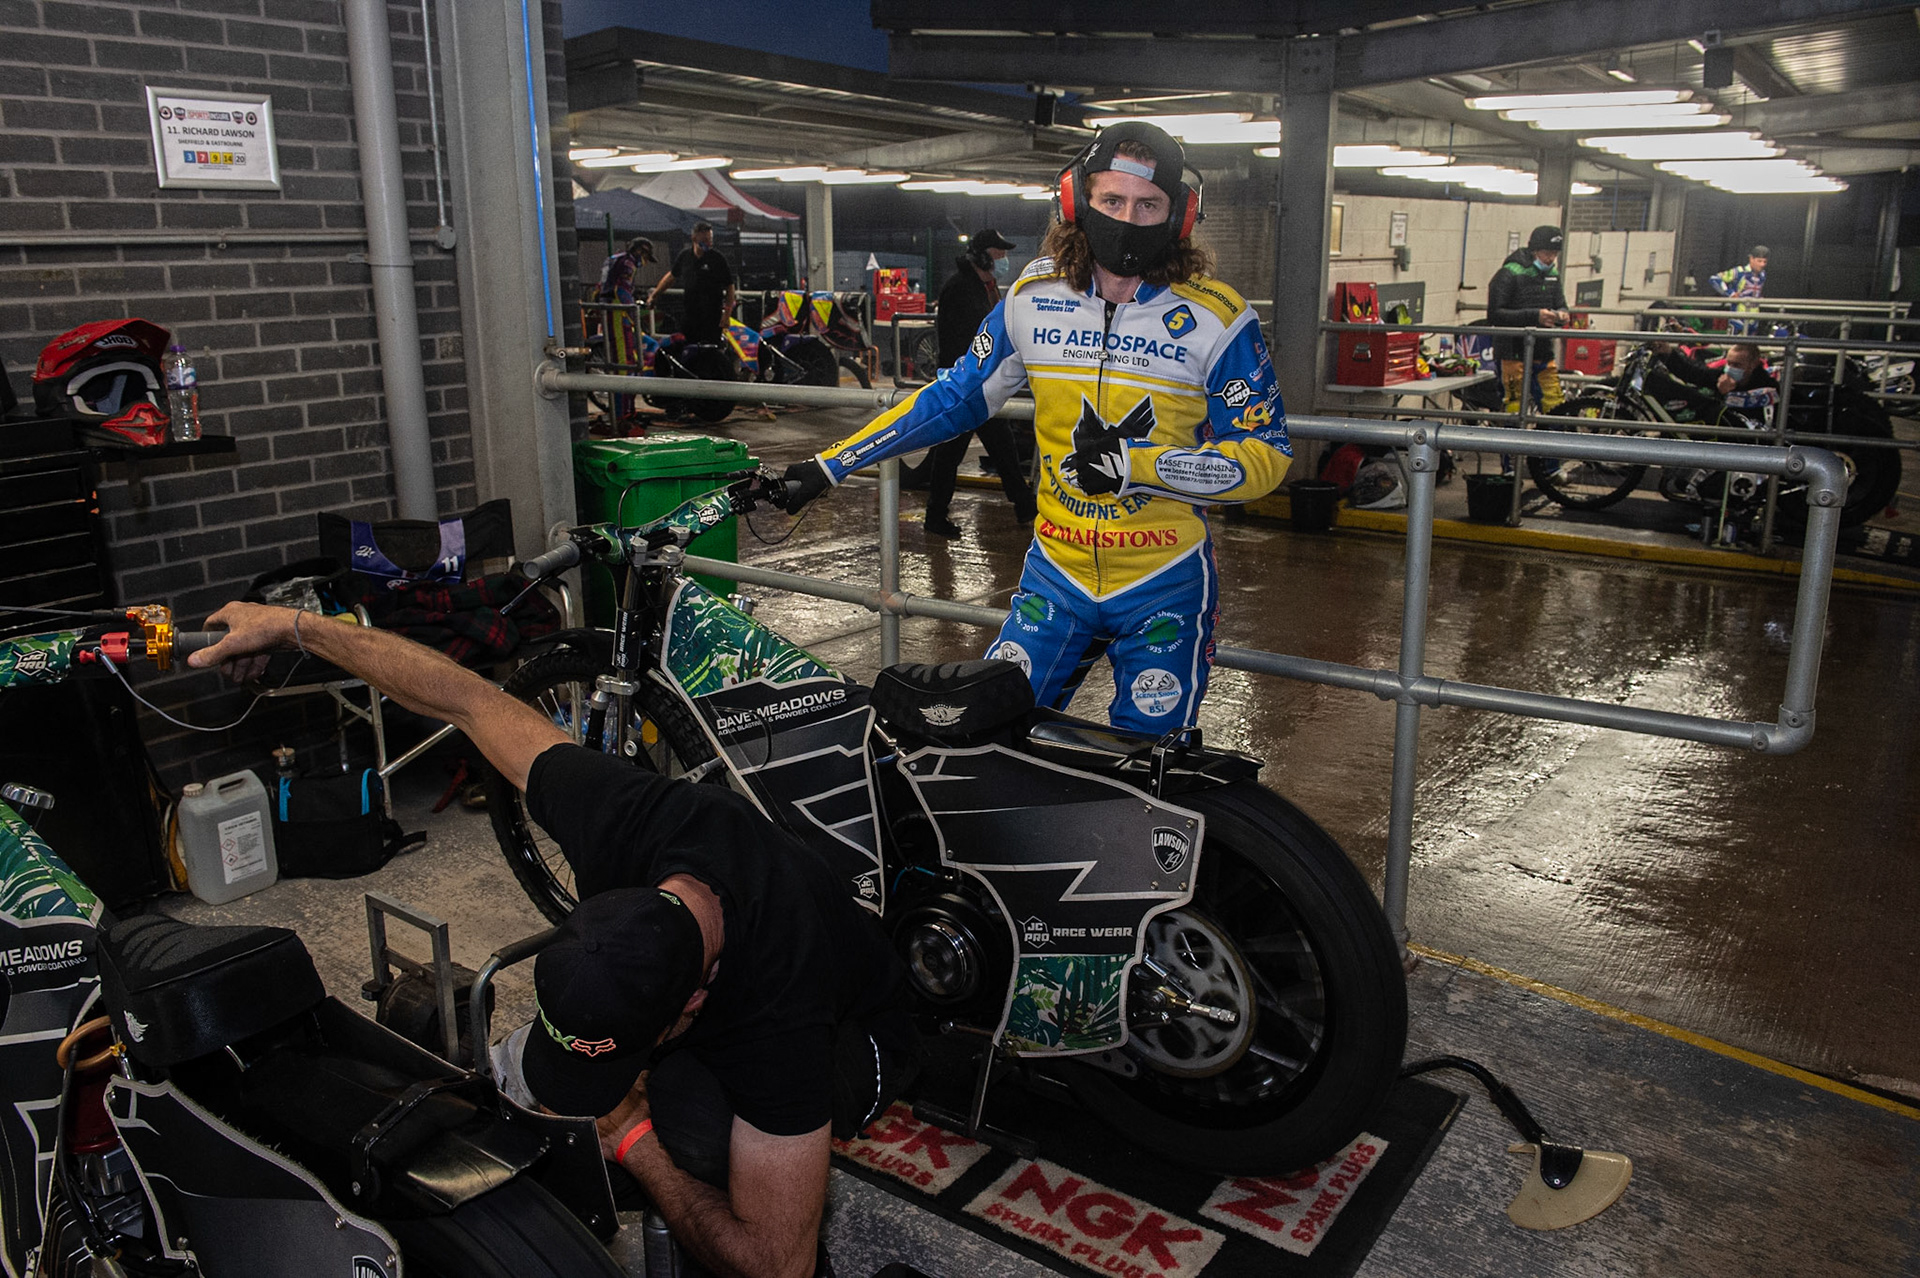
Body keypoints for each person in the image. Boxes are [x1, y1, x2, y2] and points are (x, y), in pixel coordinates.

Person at [187, 605, 917, 1278]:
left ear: (692, 1003)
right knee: (555, 1093)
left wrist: (636, 1141)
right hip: (715, 968)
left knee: (691, 1134)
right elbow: (463, 697)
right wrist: (294, 628)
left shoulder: (777, 1013)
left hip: (866, 1028)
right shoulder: (620, 815)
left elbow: (773, 1262)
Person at [780, 122, 1290, 733]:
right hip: (1057, 572)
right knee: (989, 737)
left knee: (1150, 772)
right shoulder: (1031, 294)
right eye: (1112, 200)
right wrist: (831, 463)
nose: (1129, 218)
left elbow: (1267, 456)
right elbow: (954, 398)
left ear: (1178, 216)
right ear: (1077, 202)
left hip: (1165, 580)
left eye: (1148, 204)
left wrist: (1138, 466)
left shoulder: (1220, 317)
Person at [919, 228, 1037, 538]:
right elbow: (972, 338)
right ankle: (936, 516)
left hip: (980, 383)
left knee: (1002, 447)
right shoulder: (961, 288)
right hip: (964, 385)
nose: (1005, 260)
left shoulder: (984, 286)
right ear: (983, 255)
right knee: (952, 453)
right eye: (1000, 254)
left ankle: (1024, 505)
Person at [1487, 224, 1570, 415]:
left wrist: (1562, 314)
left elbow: (1561, 304)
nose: (1550, 259)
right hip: (1511, 351)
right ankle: (1512, 442)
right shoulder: (1509, 273)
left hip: (1542, 349)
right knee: (1514, 405)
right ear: (1534, 250)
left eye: (1554, 254)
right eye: (1546, 253)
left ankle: (1555, 441)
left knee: (1555, 403)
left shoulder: (1553, 275)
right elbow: (1495, 314)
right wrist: (1535, 316)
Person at [590, 237, 656, 426]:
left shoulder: (613, 259)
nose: (643, 263)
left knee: (626, 362)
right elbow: (622, 290)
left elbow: (599, 289)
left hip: (609, 313)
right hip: (618, 316)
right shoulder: (627, 263)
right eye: (645, 257)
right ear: (640, 252)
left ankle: (626, 412)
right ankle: (621, 415)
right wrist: (633, 313)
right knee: (624, 364)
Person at [1646, 339, 1780, 422]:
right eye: (1729, 363)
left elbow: (1746, 419)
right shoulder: (1723, 376)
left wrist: (1726, 395)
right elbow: (1695, 374)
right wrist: (1668, 353)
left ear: (1753, 365)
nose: (1730, 369)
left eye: (1737, 365)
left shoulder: (1768, 385)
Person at [648, 221, 736, 346]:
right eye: (705, 239)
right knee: (688, 346)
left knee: (710, 348)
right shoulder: (685, 256)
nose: (708, 243)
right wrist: (655, 295)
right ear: (694, 238)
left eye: (710, 239)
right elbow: (672, 276)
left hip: (711, 314)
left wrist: (727, 314)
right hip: (690, 312)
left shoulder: (717, 258)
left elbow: (730, 286)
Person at [1709, 245, 1769, 335]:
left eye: (1765, 262)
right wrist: (1730, 293)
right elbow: (1714, 278)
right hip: (1738, 315)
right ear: (1751, 259)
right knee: (1733, 345)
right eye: (1759, 261)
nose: (1762, 264)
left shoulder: (1763, 274)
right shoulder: (1739, 271)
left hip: (1754, 317)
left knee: (1749, 347)